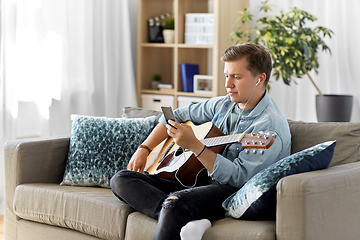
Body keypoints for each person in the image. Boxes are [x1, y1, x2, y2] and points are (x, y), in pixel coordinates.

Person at [110, 43, 291, 240]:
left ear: (260, 78)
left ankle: (179, 211)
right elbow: (175, 115)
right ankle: (187, 217)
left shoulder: (269, 127)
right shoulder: (224, 104)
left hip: (229, 190)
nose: (227, 84)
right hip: (195, 179)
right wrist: (144, 148)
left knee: (175, 203)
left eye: (236, 77)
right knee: (121, 179)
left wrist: (195, 146)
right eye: (226, 76)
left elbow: (240, 178)